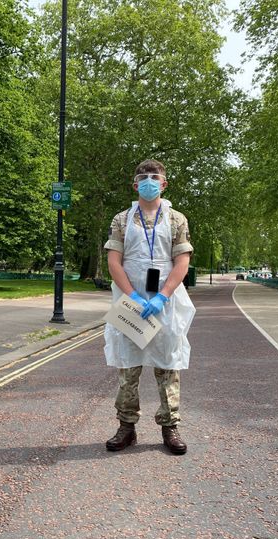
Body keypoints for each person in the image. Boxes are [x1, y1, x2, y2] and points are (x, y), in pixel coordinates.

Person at [103, 159, 196, 455]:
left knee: (168, 365)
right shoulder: (121, 219)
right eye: (143, 177)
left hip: (165, 301)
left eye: (154, 177)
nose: (148, 181)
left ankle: (170, 426)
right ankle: (126, 427)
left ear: (164, 184)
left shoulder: (176, 219)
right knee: (128, 365)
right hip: (130, 301)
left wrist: (163, 296)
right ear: (135, 185)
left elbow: (182, 261)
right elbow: (113, 261)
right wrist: (132, 296)